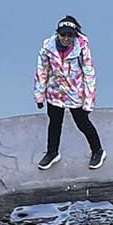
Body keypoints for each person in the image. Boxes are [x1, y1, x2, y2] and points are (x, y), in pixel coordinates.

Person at [35, 15, 104, 171]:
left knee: (83, 123)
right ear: (57, 34)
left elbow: (89, 74)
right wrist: (39, 95)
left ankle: (98, 150)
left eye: (70, 35)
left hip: (75, 93)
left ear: (75, 36)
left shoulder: (82, 49)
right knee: (54, 123)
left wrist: (88, 101)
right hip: (55, 93)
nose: (66, 38)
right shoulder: (48, 48)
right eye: (63, 34)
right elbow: (41, 71)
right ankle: (52, 152)